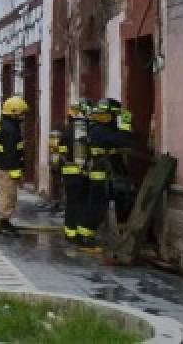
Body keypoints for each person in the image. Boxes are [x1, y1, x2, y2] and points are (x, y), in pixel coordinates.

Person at [77, 98, 132, 251]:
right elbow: (123, 140)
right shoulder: (100, 130)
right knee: (97, 207)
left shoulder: (97, 128)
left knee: (111, 204)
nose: (104, 118)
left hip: (105, 174)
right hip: (101, 176)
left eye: (106, 115)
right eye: (102, 115)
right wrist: (126, 124)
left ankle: (89, 235)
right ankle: (85, 237)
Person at [0, 96, 28, 237]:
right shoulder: (10, 129)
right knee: (8, 195)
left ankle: (5, 222)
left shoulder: (2, 124)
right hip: (8, 168)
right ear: (13, 112)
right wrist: (16, 170)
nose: (23, 116)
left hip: (1, 166)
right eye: (21, 113)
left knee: (4, 194)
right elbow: (11, 152)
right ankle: (4, 224)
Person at [59, 100, 91, 245]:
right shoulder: (83, 130)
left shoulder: (67, 129)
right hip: (80, 174)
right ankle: (76, 234)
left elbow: (62, 153)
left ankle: (69, 233)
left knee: (71, 203)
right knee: (80, 204)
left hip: (68, 174)